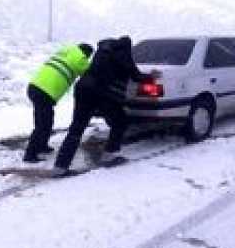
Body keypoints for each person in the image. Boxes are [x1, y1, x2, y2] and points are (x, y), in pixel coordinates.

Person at [52, 36, 157, 176]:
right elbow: (135, 75)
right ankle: (109, 155)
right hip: (101, 92)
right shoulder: (123, 53)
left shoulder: (101, 52)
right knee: (120, 121)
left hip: (83, 89)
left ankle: (60, 167)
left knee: (76, 128)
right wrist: (151, 76)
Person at [23, 43, 94, 163]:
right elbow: (91, 73)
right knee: (43, 124)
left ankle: (42, 146)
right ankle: (30, 154)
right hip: (45, 92)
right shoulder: (80, 59)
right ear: (86, 54)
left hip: (34, 87)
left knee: (45, 121)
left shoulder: (66, 51)